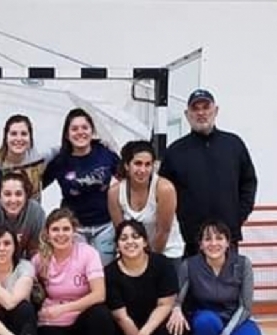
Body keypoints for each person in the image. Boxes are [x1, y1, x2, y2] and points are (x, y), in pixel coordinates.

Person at [158, 89, 258, 257]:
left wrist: (238, 216)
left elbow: (249, 182)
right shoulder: (175, 152)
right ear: (187, 114)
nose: (201, 113)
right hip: (191, 240)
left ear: (216, 110)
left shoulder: (234, 145)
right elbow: (162, 191)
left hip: (228, 237)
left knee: (229, 283)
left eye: (206, 107)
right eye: (195, 109)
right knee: (194, 283)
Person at [43, 108, 120, 265]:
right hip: (74, 228)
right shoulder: (59, 161)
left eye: (85, 128)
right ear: (67, 134)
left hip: (105, 226)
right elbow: (36, 187)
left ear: (92, 131)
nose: (80, 132)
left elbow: (127, 180)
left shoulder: (105, 153)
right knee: (78, 273)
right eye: (74, 129)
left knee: (103, 273)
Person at [166, 220, 261, 335]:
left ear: (227, 243)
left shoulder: (243, 264)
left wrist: (226, 332)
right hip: (206, 317)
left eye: (219, 238)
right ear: (201, 245)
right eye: (208, 239)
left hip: (237, 319)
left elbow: (245, 307)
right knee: (205, 322)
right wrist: (177, 309)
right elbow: (177, 299)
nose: (214, 243)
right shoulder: (189, 265)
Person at [31, 208, 115, 335]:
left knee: (101, 313)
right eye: (55, 229)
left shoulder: (88, 253)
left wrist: (64, 309)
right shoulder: (40, 259)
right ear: (47, 234)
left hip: (82, 317)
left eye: (66, 229)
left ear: (74, 232)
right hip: (53, 321)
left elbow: (99, 294)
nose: (61, 234)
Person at [107, 140, 184, 270]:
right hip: (132, 252)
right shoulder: (114, 192)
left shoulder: (164, 189)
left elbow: (163, 231)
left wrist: (147, 264)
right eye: (138, 164)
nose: (143, 170)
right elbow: (121, 232)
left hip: (166, 251)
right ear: (127, 165)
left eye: (148, 165)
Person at [105, 220, 178, 335]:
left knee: (176, 326)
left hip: (155, 322)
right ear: (118, 246)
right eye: (123, 238)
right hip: (125, 327)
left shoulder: (163, 264)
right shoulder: (109, 273)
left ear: (145, 242)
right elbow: (121, 317)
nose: (130, 242)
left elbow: (165, 304)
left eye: (135, 237)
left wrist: (145, 332)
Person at [0, 114, 57, 203]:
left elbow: (59, 151)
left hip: (32, 217)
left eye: (24, 134)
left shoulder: (39, 158)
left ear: (30, 137)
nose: (19, 138)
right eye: (13, 134)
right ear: (6, 137)